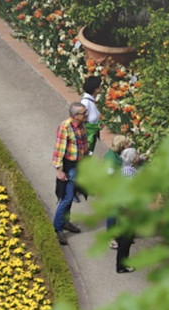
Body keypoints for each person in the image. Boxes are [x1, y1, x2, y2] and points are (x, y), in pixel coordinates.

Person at [51, 102, 89, 245]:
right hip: (69, 166)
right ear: (75, 116)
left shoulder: (81, 125)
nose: (86, 115)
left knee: (71, 195)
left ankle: (65, 222)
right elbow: (58, 150)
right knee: (67, 197)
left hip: (79, 165)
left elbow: (83, 145)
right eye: (83, 113)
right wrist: (59, 170)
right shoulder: (65, 127)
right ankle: (58, 226)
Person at [115, 145, 143, 274]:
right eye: (136, 155)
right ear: (132, 159)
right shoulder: (129, 173)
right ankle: (122, 265)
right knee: (126, 238)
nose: (138, 157)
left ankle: (123, 263)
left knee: (125, 237)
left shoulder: (126, 168)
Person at [80, 74, 103, 151]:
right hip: (87, 138)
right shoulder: (85, 103)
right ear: (95, 89)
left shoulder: (91, 101)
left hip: (92, 138)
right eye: (100, 86)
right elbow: (81, 121)